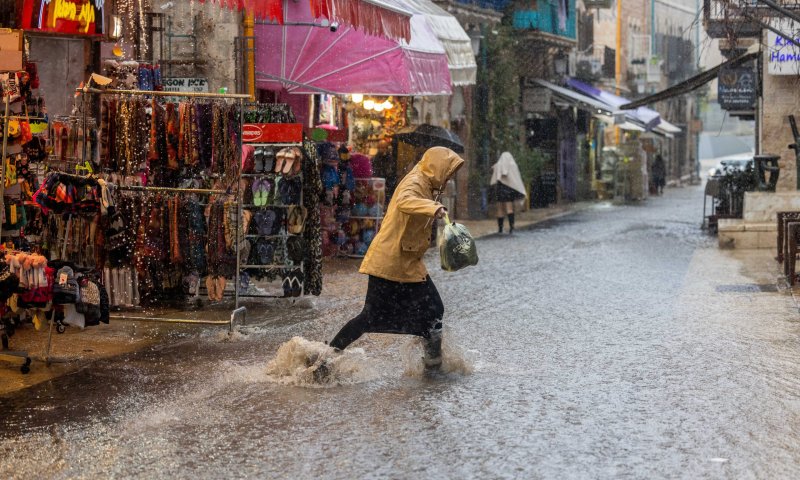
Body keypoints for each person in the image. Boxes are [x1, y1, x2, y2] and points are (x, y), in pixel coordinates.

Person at [327, 146, 465, 369]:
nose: (448, 179)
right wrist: (434, 208)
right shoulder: (415, 182)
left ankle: (432, 363)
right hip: (390, 262)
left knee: (433, 311)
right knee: (370, 317)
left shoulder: (428, 185)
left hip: (408, 263)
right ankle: (327, 357)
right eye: (447, 173)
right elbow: (405, 201)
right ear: (437, 168)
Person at [490, 152, 527, 234]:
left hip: (500, 189)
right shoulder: (513, 165)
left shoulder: (498, 165)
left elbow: (494, 172)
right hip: (509, 190)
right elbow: (516, 178)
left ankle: (500, 228)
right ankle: (511, 227)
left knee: (499, 209)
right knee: (509, 208)